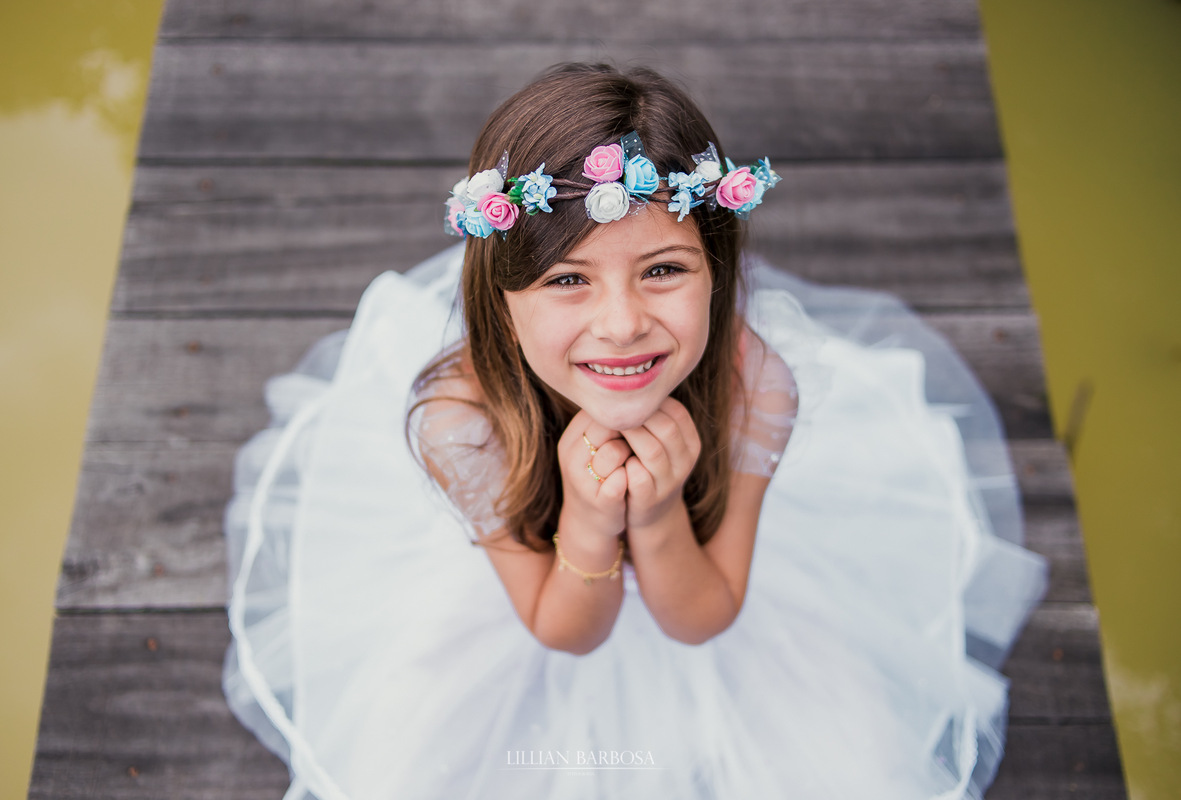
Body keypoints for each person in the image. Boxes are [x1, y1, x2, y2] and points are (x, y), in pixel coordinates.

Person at [222, 63, 1048, 800]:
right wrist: (588, 515)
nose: (622, 325)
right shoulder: (461, 419)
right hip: (541, 599)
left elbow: (702, 615)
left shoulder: (753, 387)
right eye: (568, 280)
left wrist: (653, 515)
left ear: (717, 268)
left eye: (663, 270)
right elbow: (560, 630)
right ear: (501, 301)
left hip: (692, 580)